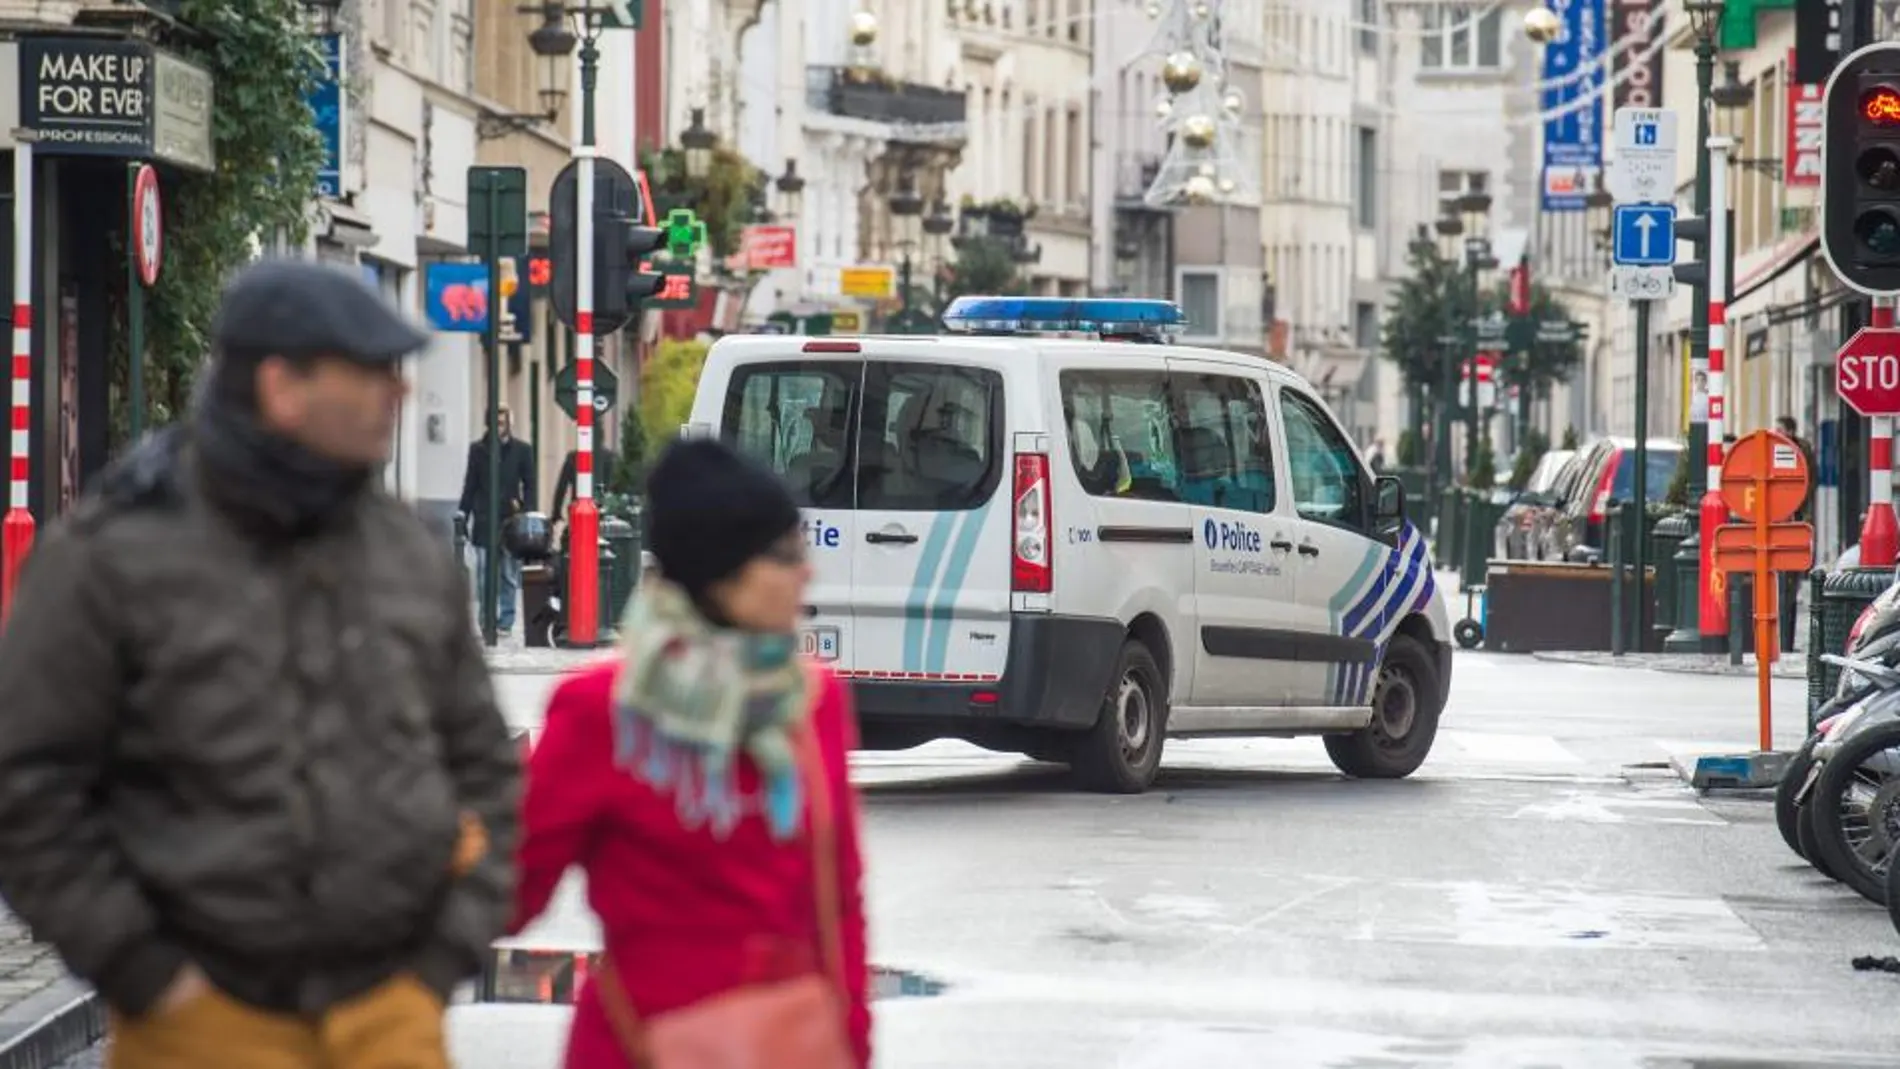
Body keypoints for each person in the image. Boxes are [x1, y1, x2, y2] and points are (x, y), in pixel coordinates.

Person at [0, 258, 520, 1069]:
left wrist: (439, 958)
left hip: (392, 1018)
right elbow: (28, 787)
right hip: (201, 1023)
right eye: (374, 372)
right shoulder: (113, 558)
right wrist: (145, 972)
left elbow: (489, 773)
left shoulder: (410, 555)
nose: (401, 392)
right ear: (282, 387)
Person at [511, 438, 871, 1069]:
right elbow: (514, 888)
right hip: (637, 1046)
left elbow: (838, 902)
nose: (806, 572)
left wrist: (852, 1042)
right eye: (786, 556)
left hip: (785, 1045)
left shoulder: (812, 703)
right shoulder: (603, 711)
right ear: (723, 573)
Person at [459, 405, 536, 635]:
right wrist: (463, 515)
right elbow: (470, 484)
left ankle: (506, 620)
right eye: (494, 423)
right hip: (484, 519)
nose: (498, 428)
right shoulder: (478, 450)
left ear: (509, 425)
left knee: (508, 574)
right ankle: (486, 617)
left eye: (502, 423)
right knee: (484, 574)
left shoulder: (522, 450)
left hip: (511, 519)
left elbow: (530, 484)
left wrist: (527, 512)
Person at [1778, 415, 1821, 652]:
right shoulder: (1779, 448)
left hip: (1797, 513)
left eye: (1781, 429)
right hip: (1784, 513)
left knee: (1792, 576)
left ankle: (1787, 639)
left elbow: (1809, 480)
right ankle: (1784, 639)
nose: (1778, 432)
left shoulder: (1801, 450)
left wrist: (1799, 505)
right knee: (1785, 582)